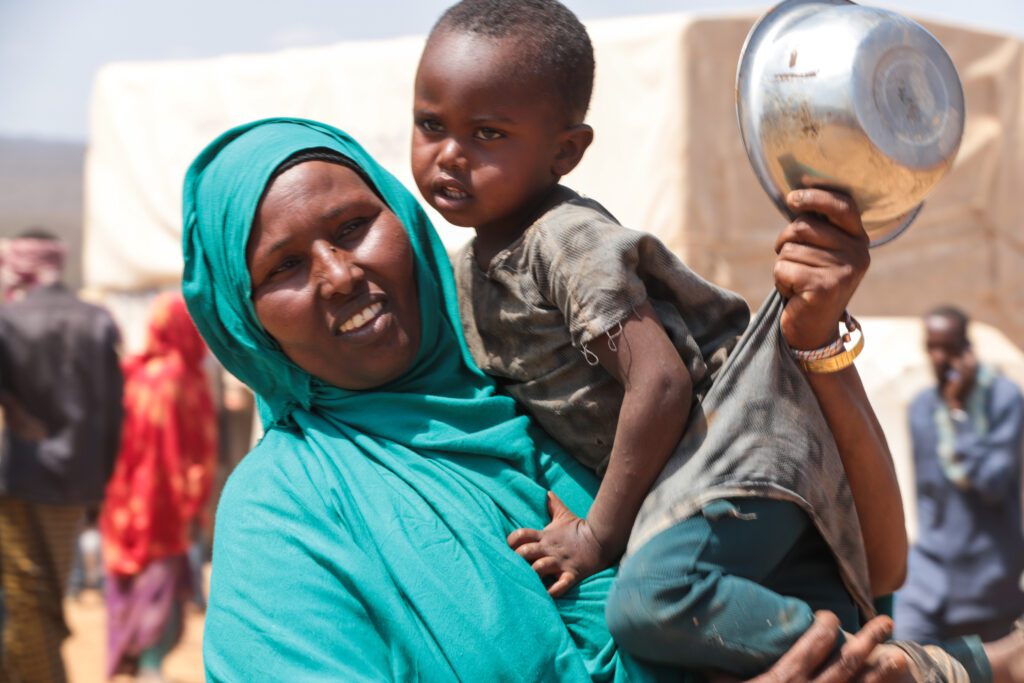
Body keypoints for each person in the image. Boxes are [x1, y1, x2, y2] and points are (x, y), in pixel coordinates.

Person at [180, 117, 1024, 683]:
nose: (339, 274)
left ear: (402, 216)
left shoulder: (541, 385)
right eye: (282, 269)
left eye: (353, 226)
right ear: (244, 321)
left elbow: (876, 564)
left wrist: (817, 344)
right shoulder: (284, 514)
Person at [411, 1, 906, 676]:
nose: (449, 155)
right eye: (431, 125)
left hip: (736, 446)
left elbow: (663, 383)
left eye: (488, 134)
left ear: (566, 151)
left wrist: (597, 534)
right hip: (701, 485)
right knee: (819, 615)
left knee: (652, 599)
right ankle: (956, 658)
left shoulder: (564, 240)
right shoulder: (470, 271)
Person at [0, 228, 124, 683]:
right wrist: (102, 484)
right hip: (78, 482)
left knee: (27, 595)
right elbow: (114, 411)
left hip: (18, 480)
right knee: (46, 593)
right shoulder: (96, 320)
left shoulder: (8, 321)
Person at [99, 291, 216, 682]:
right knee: (162, 585)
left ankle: (128, 658)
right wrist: (191, 503)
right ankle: (149, 662)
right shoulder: (181, 379)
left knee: (130, 581)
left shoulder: (136, 373)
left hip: (124, 500)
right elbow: (186, 451)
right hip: (165, 505)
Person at [895, 306, 1024, 645]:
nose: (939, 358)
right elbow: (926, 495)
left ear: (967, 347)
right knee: (906, 659)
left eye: (949, 348)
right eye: (932, 348)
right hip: (930, 581)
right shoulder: (923, 407)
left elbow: (993, 485)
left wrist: (958, 418)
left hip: (988, 584)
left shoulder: (1003, 399)